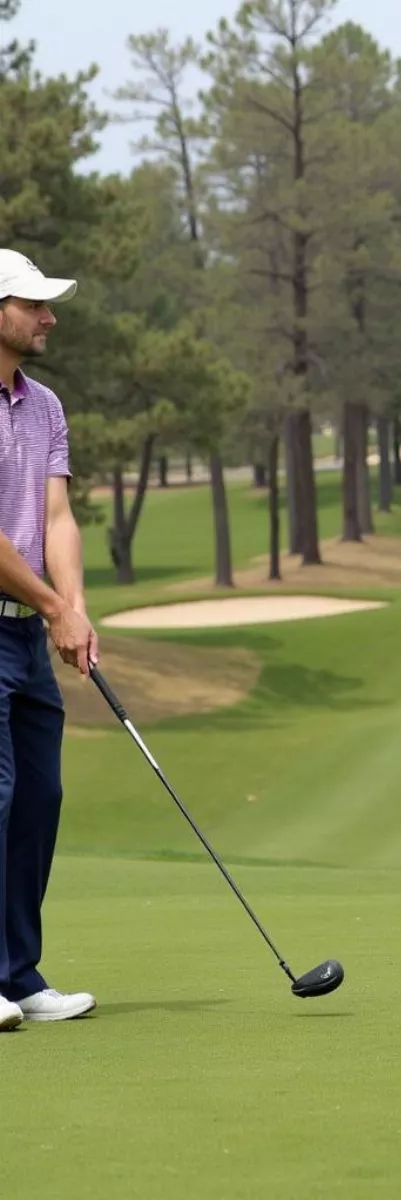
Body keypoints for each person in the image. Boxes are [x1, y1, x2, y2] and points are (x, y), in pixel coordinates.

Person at [0, 249, 99, 1029]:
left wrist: (73, 607)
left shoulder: (45, 406)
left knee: (40, 797)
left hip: (27, 636)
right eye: (33, 304)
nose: (49, 316)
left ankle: (18, 975)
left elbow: (56, 516)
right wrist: (50, 603)